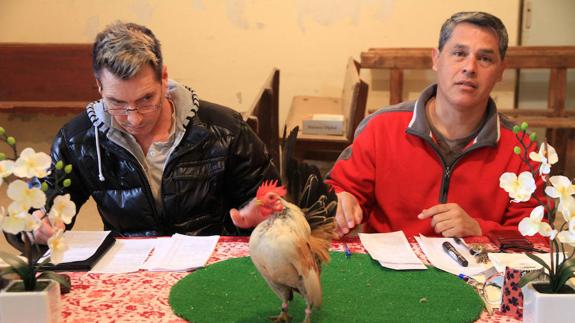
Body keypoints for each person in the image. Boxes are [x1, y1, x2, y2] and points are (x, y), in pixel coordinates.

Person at [24, 22, 278, 246]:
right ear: (99, 87)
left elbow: (273, 202)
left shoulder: (224, 129)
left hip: (210, 267)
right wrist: (36, 225)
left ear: (164, 78)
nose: (134, 118)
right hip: (128, 273)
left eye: (146, 99)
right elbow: (37, 207)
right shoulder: (78, 140)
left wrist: (260, 214)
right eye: (117, 103)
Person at [326, 11, 543, 238]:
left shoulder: (522, 148)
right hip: (388, 268)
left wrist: (479, 229)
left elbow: (537, 238)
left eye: (485, 58)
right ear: (436, 59)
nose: (470, 67)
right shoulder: (381, 128)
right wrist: (341, 199)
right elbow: (338, 190)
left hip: (478, 270)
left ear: (500, 71)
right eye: (459, 53)